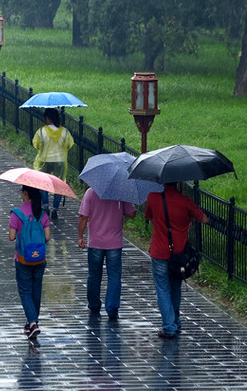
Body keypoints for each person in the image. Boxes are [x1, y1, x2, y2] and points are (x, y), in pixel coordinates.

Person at [143, 182, 208, 338]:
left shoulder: (153, 197)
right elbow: (204, 219)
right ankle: (176, 321)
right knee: (175, 287)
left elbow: (148, 217)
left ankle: (168, 326)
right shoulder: (185, 201)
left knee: (163, 289)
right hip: (178, 254)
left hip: (159, 252)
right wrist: (186, 222)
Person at [77, 187, 137, 321]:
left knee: (94, 275)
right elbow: (132, 213)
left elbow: (83, 216)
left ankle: (94, 304)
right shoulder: (120, 192)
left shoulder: (91, 192)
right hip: (114, 243)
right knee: (114, 276)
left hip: (95, 242)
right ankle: (112, 308)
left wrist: (80, 236)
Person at [8, 184, 51, 342]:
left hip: (23, 259)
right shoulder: (43, 214)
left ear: (25, 194)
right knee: (36, 290)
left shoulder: (17, 214)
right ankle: (32, 322)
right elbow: (47, 237)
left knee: (25, 291)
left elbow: (12, 237)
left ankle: (33, 323)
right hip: (40, 259)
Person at [31, 108, 74, 219]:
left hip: (44, 161)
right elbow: (69, 145)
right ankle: (55, 208)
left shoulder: (41, 131)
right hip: (60, 162)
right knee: (58, 184)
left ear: (47, 118)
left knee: (42, 183)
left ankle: (45, 206)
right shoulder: (65, 132)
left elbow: (36, 144)